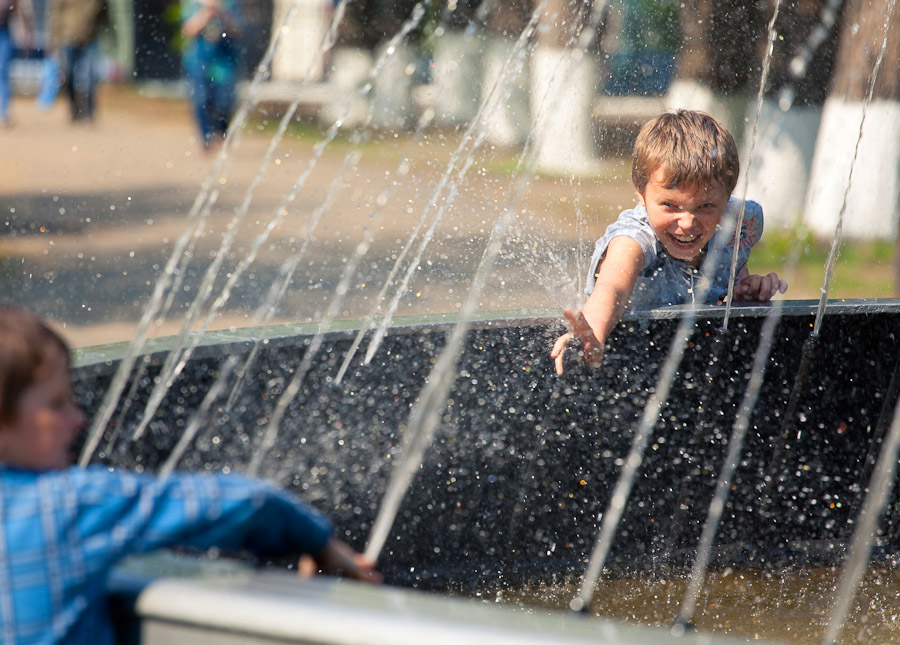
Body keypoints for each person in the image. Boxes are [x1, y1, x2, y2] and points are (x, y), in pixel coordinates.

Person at [0, 306, 380, 644]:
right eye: (55, 404)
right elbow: (248, 503)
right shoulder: (67, 506)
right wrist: (321, 544)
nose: (78, 418)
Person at [551, 109, 788, 375]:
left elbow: (728, 271)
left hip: (698, 361)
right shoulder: (634, 241)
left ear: (727, 196)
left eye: (706, 206)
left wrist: (743, 290)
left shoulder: (740, 223)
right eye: (669, 205)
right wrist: (591, 337)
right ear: (641, 192)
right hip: (632, 363)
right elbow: (612, 289)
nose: (687, 222)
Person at [180, 0, 243, 151]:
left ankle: (222, 130)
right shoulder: (193, 4)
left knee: (224, 100)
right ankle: (205, 137)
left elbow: (238, 30)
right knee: (201, 99)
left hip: (224, 61)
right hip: (199, 60)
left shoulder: (231, 4)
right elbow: (188, 30)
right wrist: (205, 13)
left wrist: (222, 14)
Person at [46, 0, 108, 121]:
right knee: (69, 75)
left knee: (91, 76)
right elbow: (55, 15)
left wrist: (109, 32)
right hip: (68, 38)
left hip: (90, 38)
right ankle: (74, 109)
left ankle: (90, 111)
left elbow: (104, 14)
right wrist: (53, 41)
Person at [0, 0, 34, 126]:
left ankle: (4, 113)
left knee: (2, 72)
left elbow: (20, 12)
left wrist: (27, 36)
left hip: (4, 32)